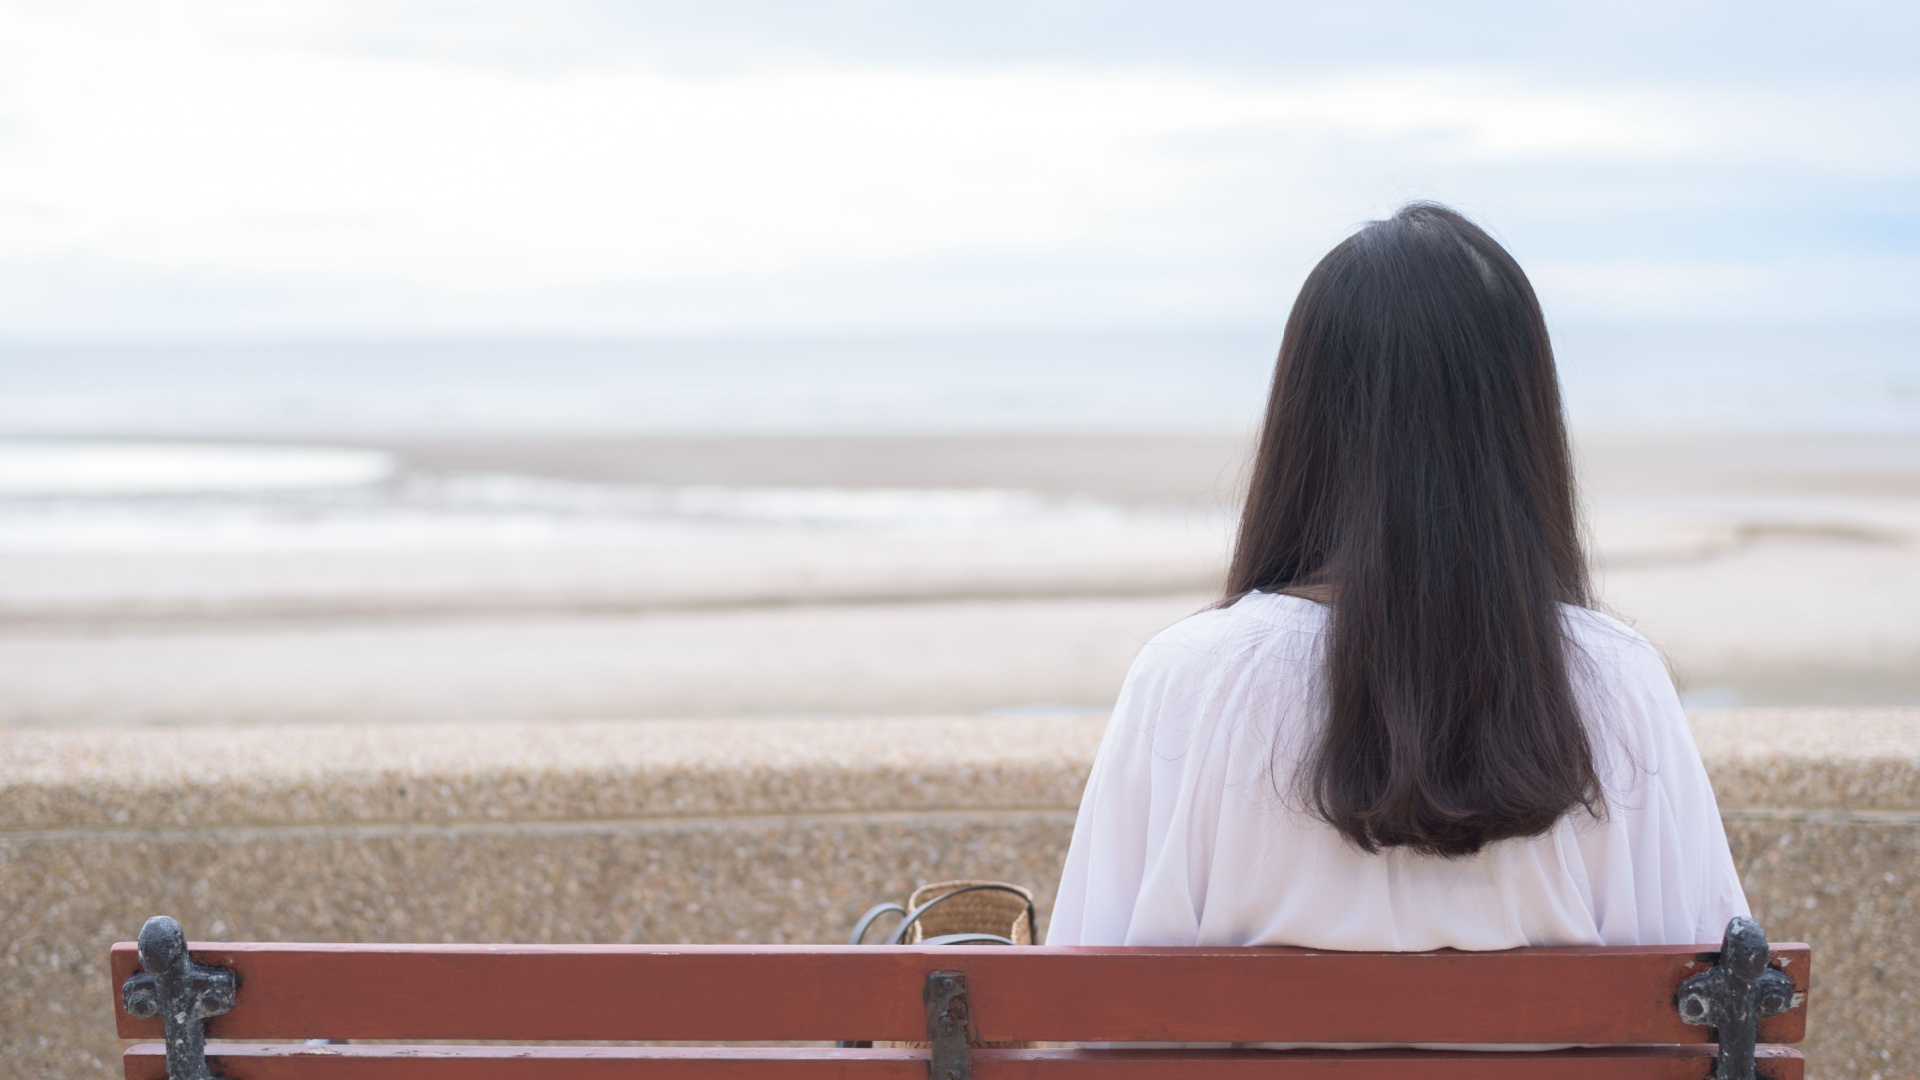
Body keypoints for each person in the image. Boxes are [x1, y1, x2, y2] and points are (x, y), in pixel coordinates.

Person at [1048, 203, 1746, 953]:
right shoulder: (1616, 682)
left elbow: (1092, 997)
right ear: (1524, 421)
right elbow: (1710, 1003)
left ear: (1303, 420)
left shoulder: (1188, 682)